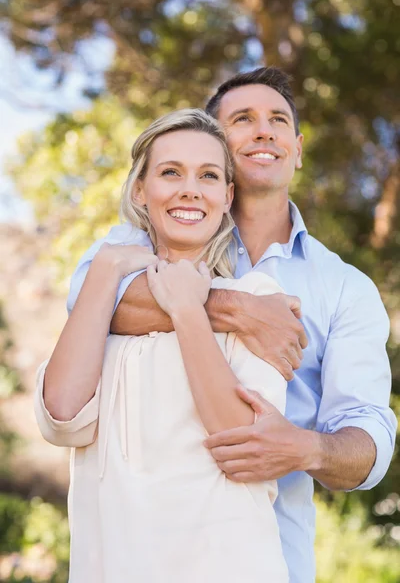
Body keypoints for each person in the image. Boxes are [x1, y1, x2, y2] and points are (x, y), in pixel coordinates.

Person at [66, 67, 397, 583]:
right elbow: (86, 302)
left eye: (279, 120)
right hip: (135, 550)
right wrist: (234, 309)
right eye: (243, 119)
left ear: (298, 148)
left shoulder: (345, 287)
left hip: (266, 555)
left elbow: (368, 431)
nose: (264, 130)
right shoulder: (141, 239)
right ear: (216, 147)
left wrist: (306, 447)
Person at [35, 109, 291, 582]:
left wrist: (189, 309)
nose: (190, 189)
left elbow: (242, 445)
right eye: (170, 172)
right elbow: (62, 417)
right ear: (139, 190)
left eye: (209, 176)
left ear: (227, 196)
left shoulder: (258, 301)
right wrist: (108, 268)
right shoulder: (106, 301)